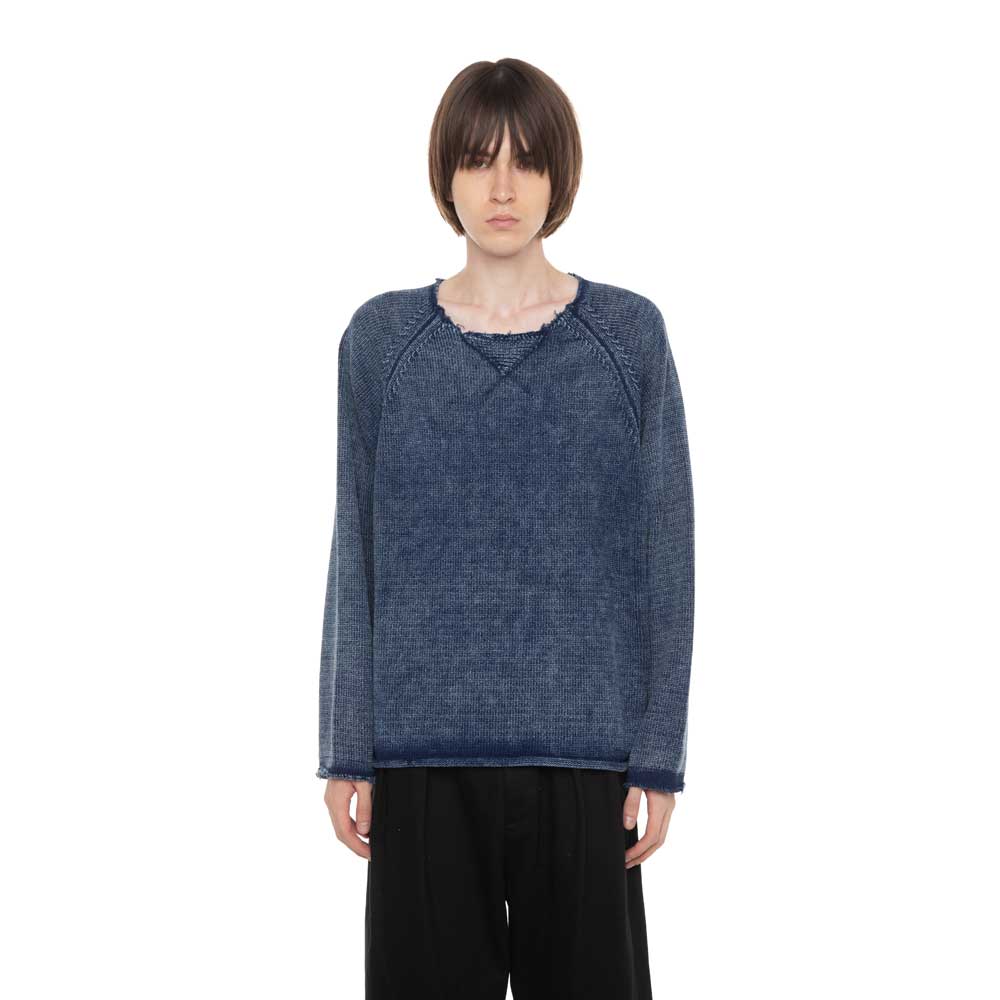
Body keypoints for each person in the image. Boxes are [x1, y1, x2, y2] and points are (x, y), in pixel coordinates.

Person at [318, 57, 695, 999]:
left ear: (559, 176)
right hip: (421, 761)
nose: (501, 187)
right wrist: (346, 745)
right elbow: (354, 552)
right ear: (444, 173)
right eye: (478, 160)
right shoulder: (381, 343)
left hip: (585, 761)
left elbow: (669, 552)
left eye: (526, 161)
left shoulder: (629, 338)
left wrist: (659, 754)